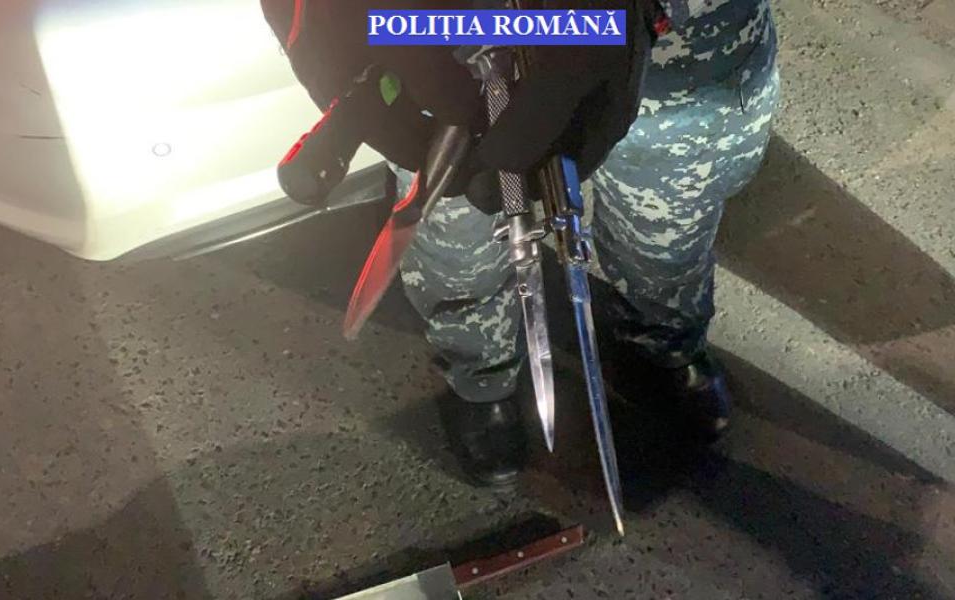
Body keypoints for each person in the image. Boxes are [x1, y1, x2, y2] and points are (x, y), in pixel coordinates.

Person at [264, 0, 780, 486]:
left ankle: (661, 340)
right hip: (444, 38)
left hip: (679, 52)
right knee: (457, 235)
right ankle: (481, 373)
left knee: (667, 226)